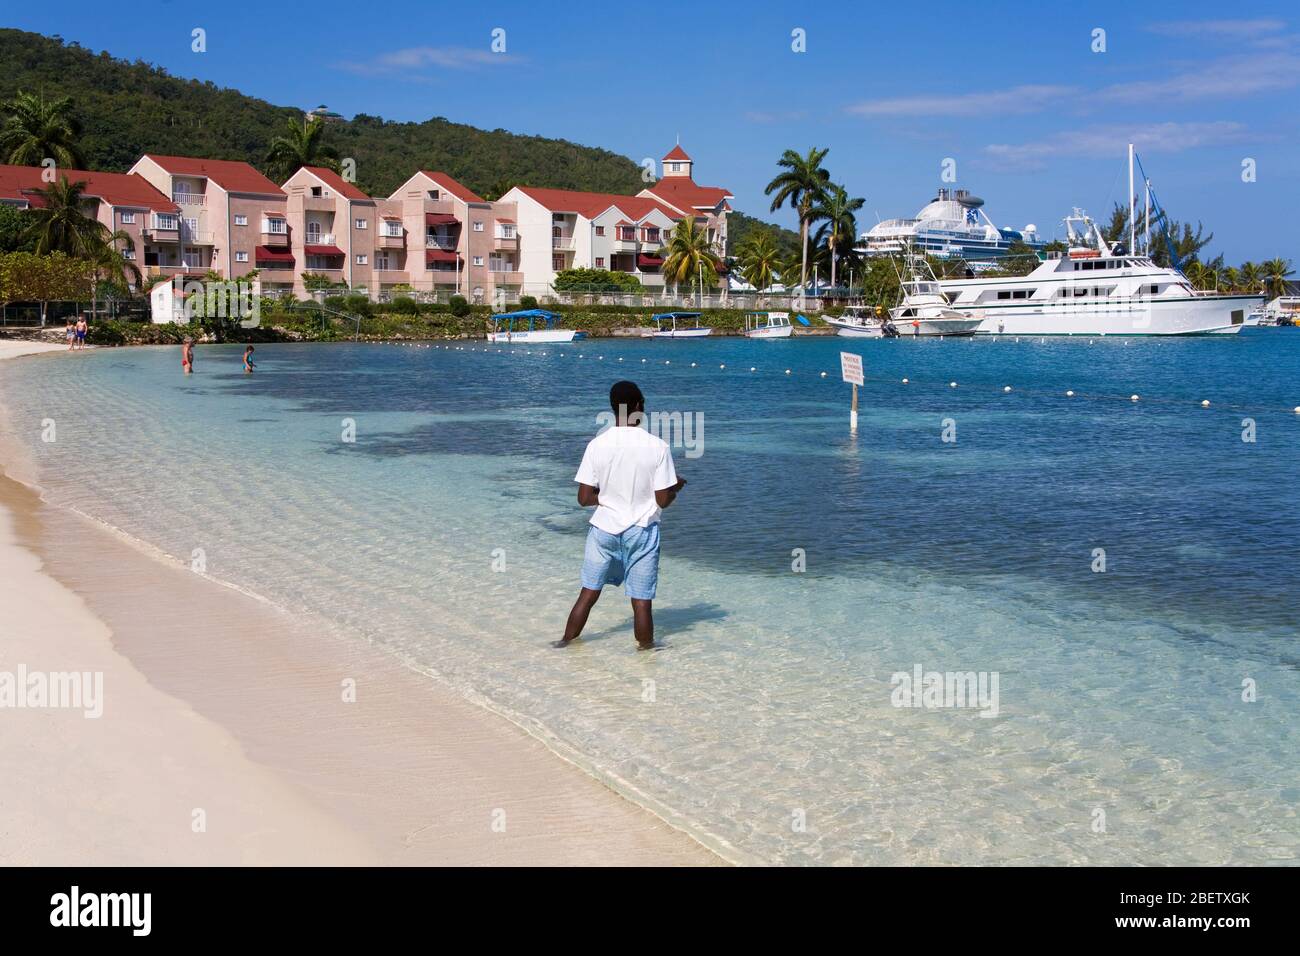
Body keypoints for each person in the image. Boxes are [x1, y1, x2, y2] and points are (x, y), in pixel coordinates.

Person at [557, 380, 686, 650]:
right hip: (642, 531)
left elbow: (583, 499)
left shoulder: (597, 444)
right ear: (638, 405)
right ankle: (646, 653)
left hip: (603, 530)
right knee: (641, 601)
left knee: (589, 593)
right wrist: (676, 488)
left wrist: (607, 497)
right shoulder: (657, 446)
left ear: (614, 407)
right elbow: (662, 500)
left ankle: (564, 643)